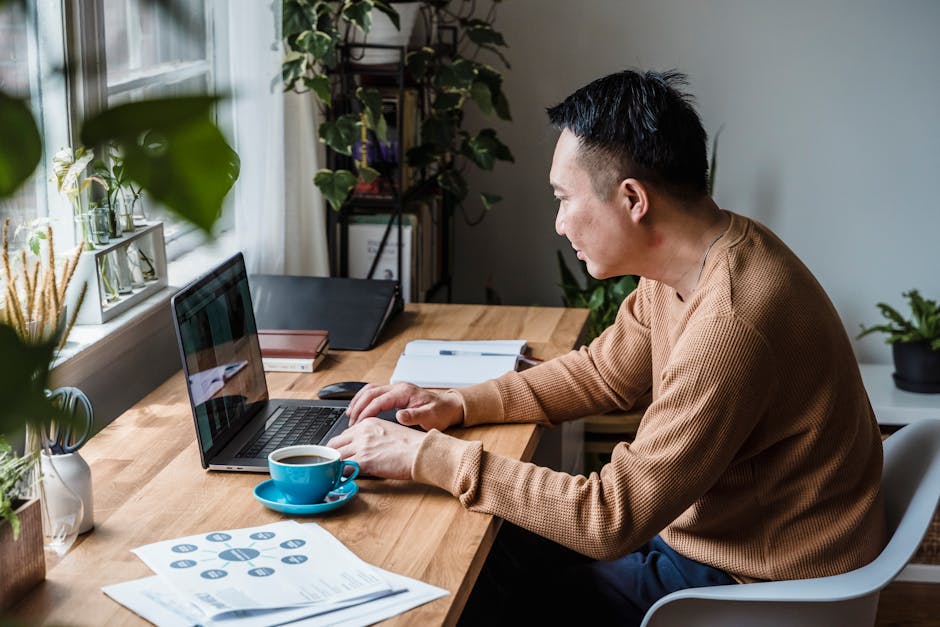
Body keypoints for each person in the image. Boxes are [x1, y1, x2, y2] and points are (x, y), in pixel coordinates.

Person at [327, 69, 886, 625]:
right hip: (708, 538)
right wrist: (457, 402)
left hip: (748, 583)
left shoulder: (731, 322)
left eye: (564, 198)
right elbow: (602, 372)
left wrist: (427, 456)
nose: (559, 223)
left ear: (633, 199)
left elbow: (608, 518)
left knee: (477, 590)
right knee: (493, 549)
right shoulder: (689, 264)